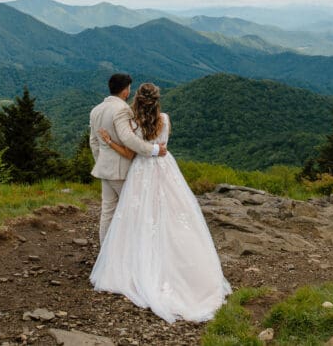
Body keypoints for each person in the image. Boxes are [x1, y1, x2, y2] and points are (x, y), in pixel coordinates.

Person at [90, 82, 231, 323]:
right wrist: (157, 149)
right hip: (166, 169)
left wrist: (109, 142)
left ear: (136, 100)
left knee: (136, 215)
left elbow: (130, 153)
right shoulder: (165, 119)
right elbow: (163, 145)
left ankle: (129, 257)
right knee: (171, 213)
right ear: (157, 100)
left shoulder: (133, 123)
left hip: (140, 172)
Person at [89, 73, 167, 244]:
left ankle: (106, 252)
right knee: (132, 211)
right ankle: (129, 250)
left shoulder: (96, 110)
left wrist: (101, 161)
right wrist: (154, 149)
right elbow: (128, 139)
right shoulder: (122, 109)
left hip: (104, 169)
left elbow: (93, 141)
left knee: (107, 211)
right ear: (125, 90)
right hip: (122, 169)